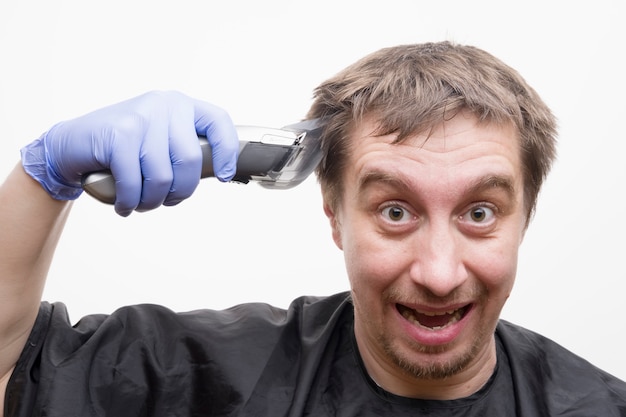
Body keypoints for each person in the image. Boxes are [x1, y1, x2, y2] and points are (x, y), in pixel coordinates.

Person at [1, 41, 625, 416]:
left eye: (480, 214)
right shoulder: (208, 375)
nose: (439, 273)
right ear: (334, 215)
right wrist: (44, 174)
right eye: (395, 211)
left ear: (525, 219)